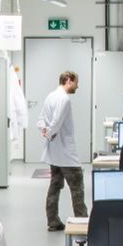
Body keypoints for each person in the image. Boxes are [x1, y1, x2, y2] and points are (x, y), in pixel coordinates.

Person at [39, 70, 84, 231]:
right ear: (68, 80)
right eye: (76, 82)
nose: (77, 86)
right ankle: (83, 222)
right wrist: (50, 133)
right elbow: (57, 122)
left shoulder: (50, 96)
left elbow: (41, 120)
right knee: (77, 188)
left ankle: (53, 221)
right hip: (66, 154)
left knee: (55, 186)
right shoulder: (64, 99)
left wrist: (45, 130)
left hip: (54, 154)